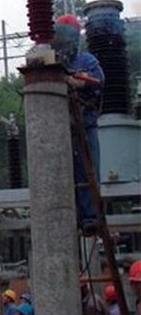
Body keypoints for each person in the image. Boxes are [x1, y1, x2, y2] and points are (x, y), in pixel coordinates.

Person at [52, 14, 105, 236]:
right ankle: (68, 215)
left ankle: (89, 217)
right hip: (61, 129)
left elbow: (98, 80)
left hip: (85, 124)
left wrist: (75, 82)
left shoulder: (86, 61)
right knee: (62, 173)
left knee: (88, 170)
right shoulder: (53, 62)